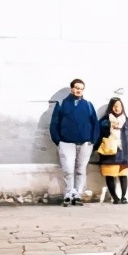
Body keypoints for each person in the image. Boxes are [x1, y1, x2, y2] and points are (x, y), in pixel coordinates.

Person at [50, 79, 100, 207]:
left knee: (81, 170)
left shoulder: (88, 105)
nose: (79, 90)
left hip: (85, 143)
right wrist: (58, 140)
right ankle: (68, 193)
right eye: (77, 88)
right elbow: (54, 123)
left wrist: (92, 140)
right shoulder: (62, 103)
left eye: (81, 88)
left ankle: (77, 194)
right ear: (72, 88)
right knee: (68, 169)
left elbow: (95, 123)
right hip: (66, 142)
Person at [98, 97, 128, 204]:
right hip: (109, 150)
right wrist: (109, 126)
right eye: (115, 106)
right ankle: (115, 197)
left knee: (123, 174)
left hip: (123, 150)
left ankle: (123, 196)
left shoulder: (127, 120)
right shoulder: (105, 120)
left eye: (119, 106)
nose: (117, 108)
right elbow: (100, 133)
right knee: (110, 173)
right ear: (111, 107)